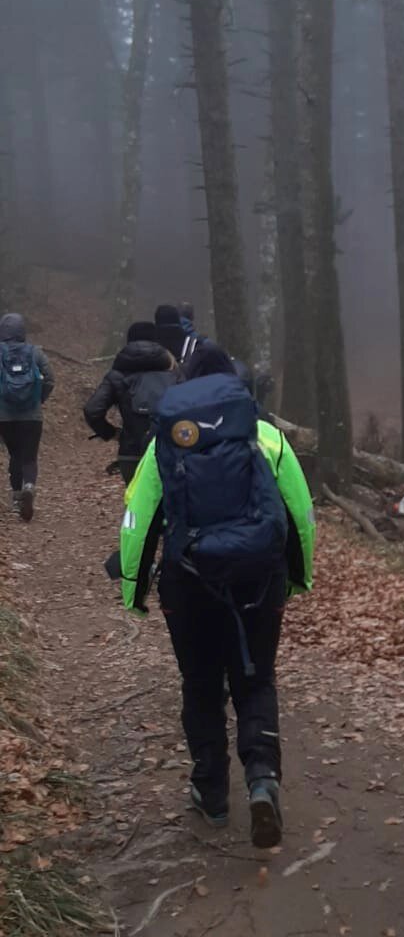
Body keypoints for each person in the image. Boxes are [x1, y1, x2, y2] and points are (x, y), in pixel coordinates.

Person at [113, 350, 315, 845]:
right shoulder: (266, 437)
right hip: (257, 580)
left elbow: (138, 521)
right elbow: (301, 514)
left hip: (190, 580)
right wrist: (295, 578)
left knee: (200, 683)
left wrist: (132, 591)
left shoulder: (170, 440)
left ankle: (211, 792)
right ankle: (263, 777)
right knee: (256, 680)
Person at [84, 322, 181, 485]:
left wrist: (112, 433)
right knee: (170, 506)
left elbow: (92, 410)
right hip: (168, 451)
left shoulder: (117, 375)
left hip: (131, 454)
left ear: (128, 342)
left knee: (136, 505)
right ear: (156, 342)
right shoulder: (174, 373)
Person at [0, 313, 54, 520]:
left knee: (14, 455)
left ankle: (15, 499)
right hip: (32, 415)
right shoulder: (35, 352)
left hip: (4, 416)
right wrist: (38, 399)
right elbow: (50, 378)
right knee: (29, 456)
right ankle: (29, 486)